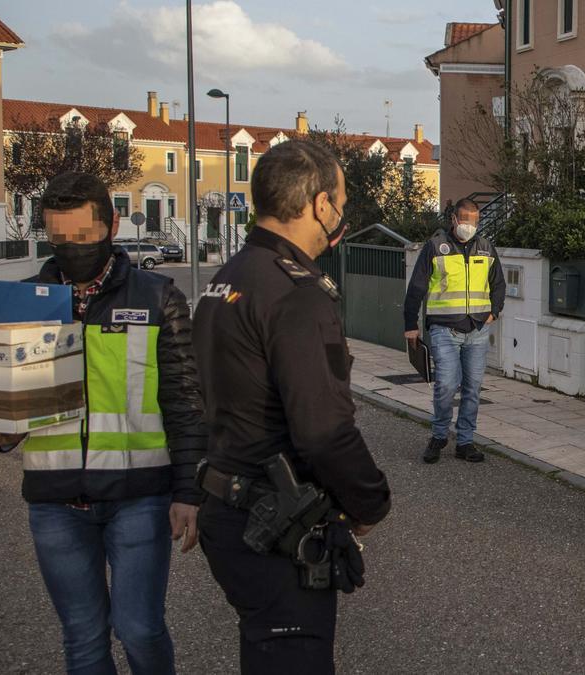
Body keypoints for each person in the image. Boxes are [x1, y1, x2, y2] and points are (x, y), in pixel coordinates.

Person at [0, 171, 206, 675]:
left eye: (83, 237)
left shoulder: (158, 297)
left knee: (139, 629)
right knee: (82, 637)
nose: (72, 249)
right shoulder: (23, 303)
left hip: (139, 494)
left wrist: (188, 491)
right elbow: (12, 402)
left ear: (111, 226)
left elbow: (185, 401)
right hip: (55, 500)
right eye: (59, 240)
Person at [192, 139, 391, 673]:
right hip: (274, 524)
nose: (342, 212)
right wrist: (370, 503)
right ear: (320, 205)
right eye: (340, 200)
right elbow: (323, 430)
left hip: (230, 509)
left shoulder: (229, 277)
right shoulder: (295, 293)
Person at [402, 198, 506, 464]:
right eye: (465, 221)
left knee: (472, 388)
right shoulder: (436, 247)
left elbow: (498, 284)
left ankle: (465, 441)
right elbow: (416, 287)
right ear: (454, 220)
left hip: (477, 330)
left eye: (474, 221)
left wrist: (495, 310)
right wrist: (410, 325)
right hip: (444, 329)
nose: (469, 226)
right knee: (446, 386)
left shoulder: (486, 248)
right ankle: (438, 435)